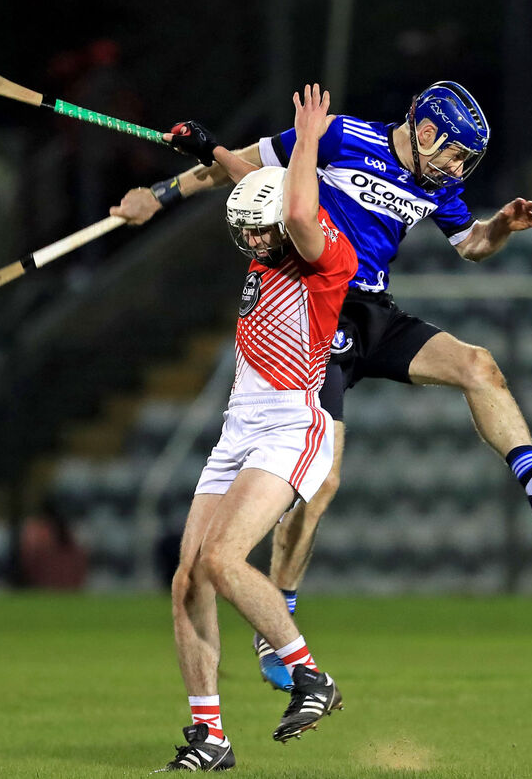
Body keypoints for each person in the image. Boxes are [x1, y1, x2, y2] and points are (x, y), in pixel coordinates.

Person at [111, 82, 532, 693]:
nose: (458, 170)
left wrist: (501, 226)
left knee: (477, 366)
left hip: (374, 311)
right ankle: (281, 617)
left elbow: (472, 246)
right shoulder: (341, 134)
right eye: (455, 154)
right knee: (322, 482)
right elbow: (239, 172)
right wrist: (161, 195)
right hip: (317, 307)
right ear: (426, 130)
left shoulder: (439, 186)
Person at [136, 86, 356, 772]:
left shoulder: (326, 254)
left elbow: (290, 205)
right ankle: (210, 736)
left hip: (292, 426)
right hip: (238, 432)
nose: (258, 240)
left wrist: (306, 137)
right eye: (249, 232)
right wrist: (208, 150)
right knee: (187, 579)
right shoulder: (266, 245)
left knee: (225, 560)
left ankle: (311, 677)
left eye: (265, 230)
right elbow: (253, 186)